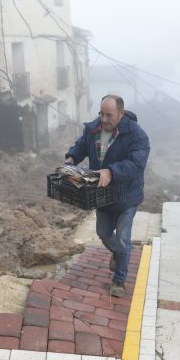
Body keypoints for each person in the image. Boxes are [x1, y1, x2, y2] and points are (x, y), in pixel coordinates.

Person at [65, 95, 150, 297]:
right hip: (101, 194)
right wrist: (71, 157)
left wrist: (111, 171)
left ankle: (119, 281)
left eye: (109, 115)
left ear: (121, 113)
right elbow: (81, 145)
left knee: (122, 238)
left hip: (127, 196)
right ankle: (119, 254)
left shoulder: (137, 135)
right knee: (103, 233)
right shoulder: (93, 128)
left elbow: (137, 164)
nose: (104, 119)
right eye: (101, 113)